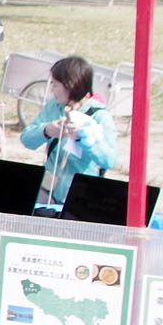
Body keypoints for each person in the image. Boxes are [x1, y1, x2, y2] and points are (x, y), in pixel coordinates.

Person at [20, 55, 118, 209]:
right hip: (48, 191)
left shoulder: (100, 116)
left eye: (55, 85)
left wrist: (85, 140)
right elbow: (26, 139)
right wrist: (46, 130)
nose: (52, 90)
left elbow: (109, 160)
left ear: (70, 85)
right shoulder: (53, 106)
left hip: (79, 197)